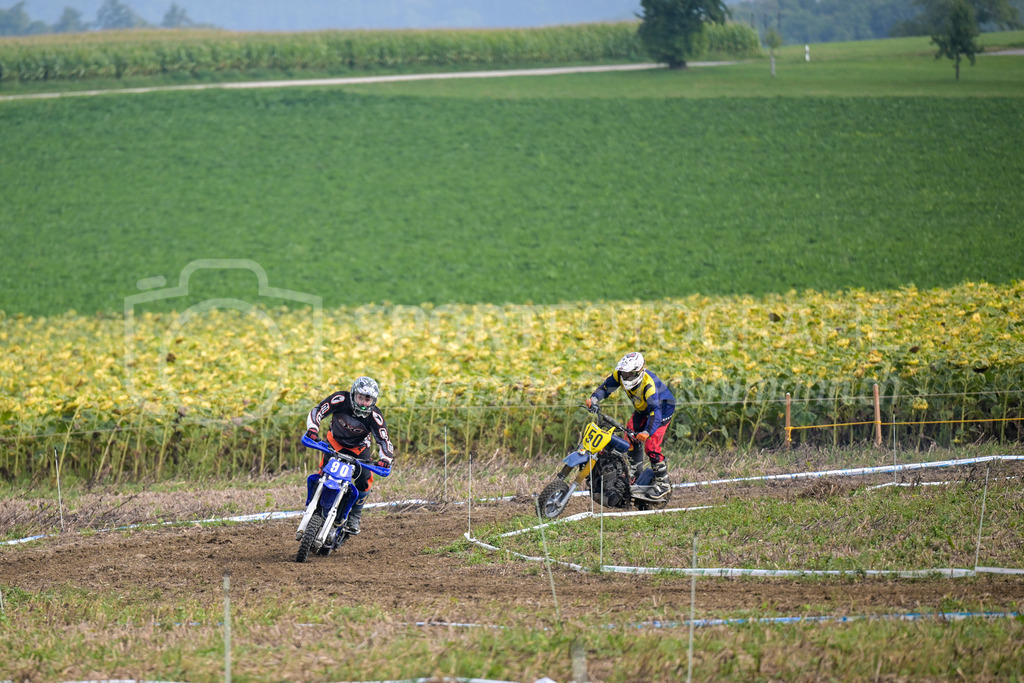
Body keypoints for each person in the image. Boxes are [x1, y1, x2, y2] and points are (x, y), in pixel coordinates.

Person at [304, 376, 394, 534]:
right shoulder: (340, 399)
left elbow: (384, 440)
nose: (364, 403)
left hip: (358, 450)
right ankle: (315, 503)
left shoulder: (375, 416)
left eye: (368, 400)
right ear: (353, 394)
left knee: (366, 477)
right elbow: (318, 411)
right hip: (335, 443)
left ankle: (355, 515)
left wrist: (386, 459)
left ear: (373, 400)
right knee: (323, 473)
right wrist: (313, 428)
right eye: (361, 398)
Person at [585, 352, 676, 500]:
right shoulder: (619, 375)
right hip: (642, 408)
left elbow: (655, 413)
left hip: (662, 409)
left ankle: (663, 484)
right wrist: (594, 398)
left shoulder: (649, 386)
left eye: (629, 374)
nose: (626, 377)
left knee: (651, 447)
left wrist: (647, 431)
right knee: (630, 437)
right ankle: (636, 475)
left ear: (639, 371)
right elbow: (606, 387)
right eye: (624, 373)